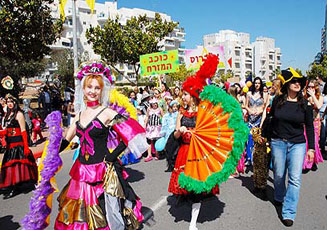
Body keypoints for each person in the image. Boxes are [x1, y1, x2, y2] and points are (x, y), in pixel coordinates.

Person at [55, 61, 147, 229]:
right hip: (81, 171)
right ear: (83, 89)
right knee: (80, 215)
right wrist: (50, 152)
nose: (93, 91)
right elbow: (66, 141)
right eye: (89, 87)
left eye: (97, 88)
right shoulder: (79, 115)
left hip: (102, 172)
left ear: (102, 90)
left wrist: (112, 156)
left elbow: (130, 135)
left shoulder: (107, 113)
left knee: (104, 213)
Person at [269, 68, 314, 227]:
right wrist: (266, 138)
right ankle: (279, 196)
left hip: (298, 144)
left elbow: (309, 127)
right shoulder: (277, 100)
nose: (297, 84)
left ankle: (288, 212)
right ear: (287, 84)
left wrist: (311, 148)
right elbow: (271, 119)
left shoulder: (305, 104)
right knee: (279, 175)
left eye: (299, 82)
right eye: (294, 81)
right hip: (278, 142)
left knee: (295, 179)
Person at [0, 94, 38, 199]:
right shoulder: (6, 115)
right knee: (9, 166)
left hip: (18, 143)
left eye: (11, 101)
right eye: (8, 102)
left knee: (17, 166)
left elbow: (23, 131)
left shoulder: (19, 114)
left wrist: (26, 146)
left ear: (15, 102)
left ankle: (14, 188)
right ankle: (14, 186)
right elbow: (6, 130)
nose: (9, 104)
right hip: (10, 144)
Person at [244, 77, 268, 165]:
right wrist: (250, 111)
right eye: (256, 83)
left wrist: (259, 112)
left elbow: (265, 107)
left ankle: (256, 158)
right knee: (249, 138)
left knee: (257, 139)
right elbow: (245, 105)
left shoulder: (264, 95)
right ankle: (249, 158)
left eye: (259, 83)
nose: (257, 85)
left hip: (259, 119)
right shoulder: (249, 94)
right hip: (251, 119)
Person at [303, 80, 324, 171]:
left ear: (316, 88)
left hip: (315, 122)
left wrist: (312, 96)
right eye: (309, 87)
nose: (310, 89)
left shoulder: (320, 97)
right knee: (307, 142)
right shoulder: (305, 97)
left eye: (312, 87)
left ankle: (314, 160)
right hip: (307, 122)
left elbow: (319, 106)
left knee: (314, 142)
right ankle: (307, 161)